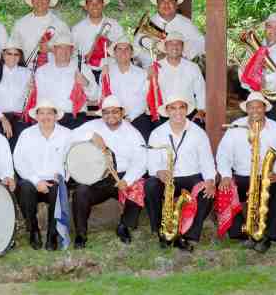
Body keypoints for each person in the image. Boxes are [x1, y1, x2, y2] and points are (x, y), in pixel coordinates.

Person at [216, 92, 276, 253]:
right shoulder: (236, 127)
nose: (255, 110)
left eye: (259, 106)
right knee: (224, 188)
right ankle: (242, 233)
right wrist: (226, 176)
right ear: (247, 109)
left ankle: (269, 236)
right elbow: (223, 155)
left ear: (265, 108)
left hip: (267, 176)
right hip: (242, 175)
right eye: (251, 107)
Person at [71, 95, 147, 248]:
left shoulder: (133, 133)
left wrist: (128, 180)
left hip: (123, 176)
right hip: (100, 177)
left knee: (140, 187)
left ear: (122, 112)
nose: (110, 115)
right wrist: (90, 135)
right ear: (102, 114)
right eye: (106, 112)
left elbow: (141, 160)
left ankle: (124, 226)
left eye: (115, 112)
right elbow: (70, 135)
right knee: (81, 191)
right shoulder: (93, 126)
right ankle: (81, 234)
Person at [145, 95, 216, 251]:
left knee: (207, 191)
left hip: (192, 176)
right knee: (150, 185)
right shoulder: (157, 133)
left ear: (186, 110)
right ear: (167, 111)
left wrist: (210, 181)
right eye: (173, 108)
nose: (178, 112)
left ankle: (189, 235)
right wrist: (159, 172)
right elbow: (151, 163)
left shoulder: (198, 133)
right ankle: (160, 231)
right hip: (167, 178)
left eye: (181, 107)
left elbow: (207, 161)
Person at [13, 99, 72, 251]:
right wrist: (36, 180)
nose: (46, 117)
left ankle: (52, 234)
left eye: (49, 113)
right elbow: (18, 161)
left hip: (54, 180)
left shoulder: (67, 134)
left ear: (56, 115)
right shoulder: (26, 134)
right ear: (37, 116)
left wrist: (62, 176)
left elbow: (73, 159)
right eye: (42, 113)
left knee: (57, 187)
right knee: (24, 187)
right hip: (32, 180)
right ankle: (33, 230)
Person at [238, 13, 276, 127]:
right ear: (265, 29)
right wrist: (249, 83)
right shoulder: (255, 47)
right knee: (252, 132)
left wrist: (266, 79)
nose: (273, 30)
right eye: (269, 26)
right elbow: (243, 67)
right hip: (254, 97)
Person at [34, 33, 99, 129]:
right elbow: (40, 99)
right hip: (52, 119)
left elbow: (95, 96)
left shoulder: (82, 68)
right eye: (60, 47)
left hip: (77, 118)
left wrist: (86, 83)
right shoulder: (42, 71)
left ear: (72, 51)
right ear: (54, 50)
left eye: (67, 48)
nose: (64, 51)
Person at [135, 0, 204, 67]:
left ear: (176, 5)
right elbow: (136, 50)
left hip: (181, 69)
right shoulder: (148, 24)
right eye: (162, 1)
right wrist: (156, 57)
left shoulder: (186, 23)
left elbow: (201, 43)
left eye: (170, 1)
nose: (166, 4)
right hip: (154, 71)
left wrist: (185, 55)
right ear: (157, 5)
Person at [101, 36, 150, 141]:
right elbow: (102, 98)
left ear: (132, 53)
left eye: (127, 49)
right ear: (114, 53)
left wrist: (130, 117)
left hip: (136, 118)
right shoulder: (106, 72)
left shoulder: (142, 73)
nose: (123, 52)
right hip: (112, 119)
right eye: (119, 49)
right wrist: (103, 77)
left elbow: (144, 99)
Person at [71, 0, 124, 83]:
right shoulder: (77, 29)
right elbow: (72, 54)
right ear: (86, 6)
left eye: (98, 2)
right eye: (91, 3)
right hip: (86, 72)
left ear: (103, 4)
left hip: (111, 71)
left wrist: (111, 45)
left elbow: (126, 50)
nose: (95, 6)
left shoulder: (115, 25)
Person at [0, 37, 31, 150]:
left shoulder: (27, 73)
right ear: (3, 54)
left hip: (19, 117)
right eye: (9, 53)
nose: (12, 57)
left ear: (20, 56)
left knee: (23, 136)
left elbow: (30, 99)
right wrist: (3, 119)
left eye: (16, 54)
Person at [153, 32, 206, 125]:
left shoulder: (193, 67)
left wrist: (201, 110)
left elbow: (201, 91)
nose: (175, 46)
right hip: (164, 114)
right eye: (171, 43)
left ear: (183, 47)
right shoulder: (155, 68)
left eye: (178, 43)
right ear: (165, 47)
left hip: (188, 112)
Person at [12, 0, 70, 68]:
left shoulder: (60, 25)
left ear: (49, 1)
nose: (40, 0)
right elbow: (13, 48)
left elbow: (70, 51)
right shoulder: (20, 24)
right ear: (32, 1)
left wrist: (50, 49)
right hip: (26, 69)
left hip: (54, 70)